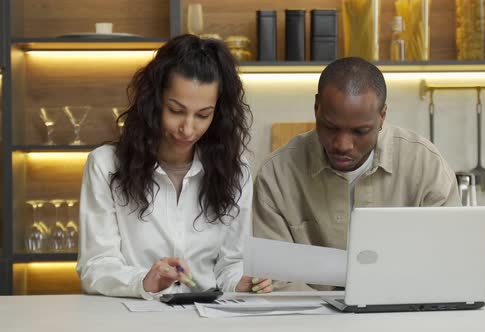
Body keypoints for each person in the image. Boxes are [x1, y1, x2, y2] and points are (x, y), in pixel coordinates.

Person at [77, 35, 272, 299]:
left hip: (207, 318)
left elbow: (231, 263)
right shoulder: (105, 165)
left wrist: (242, 283)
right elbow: (96, 265)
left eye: (203, 115)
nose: (188, 129)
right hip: (131, 317)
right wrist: (143, 281)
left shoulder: (236, 172)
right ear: (154, 102)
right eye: (176, 110)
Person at [252, 57, 460, 291]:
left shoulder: (425, 165)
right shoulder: (276, 175)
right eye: (331, 127)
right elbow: (274, 281)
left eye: (360, 131)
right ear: (316, 108)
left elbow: (448, 262)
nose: (343, 144)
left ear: (382, 116)